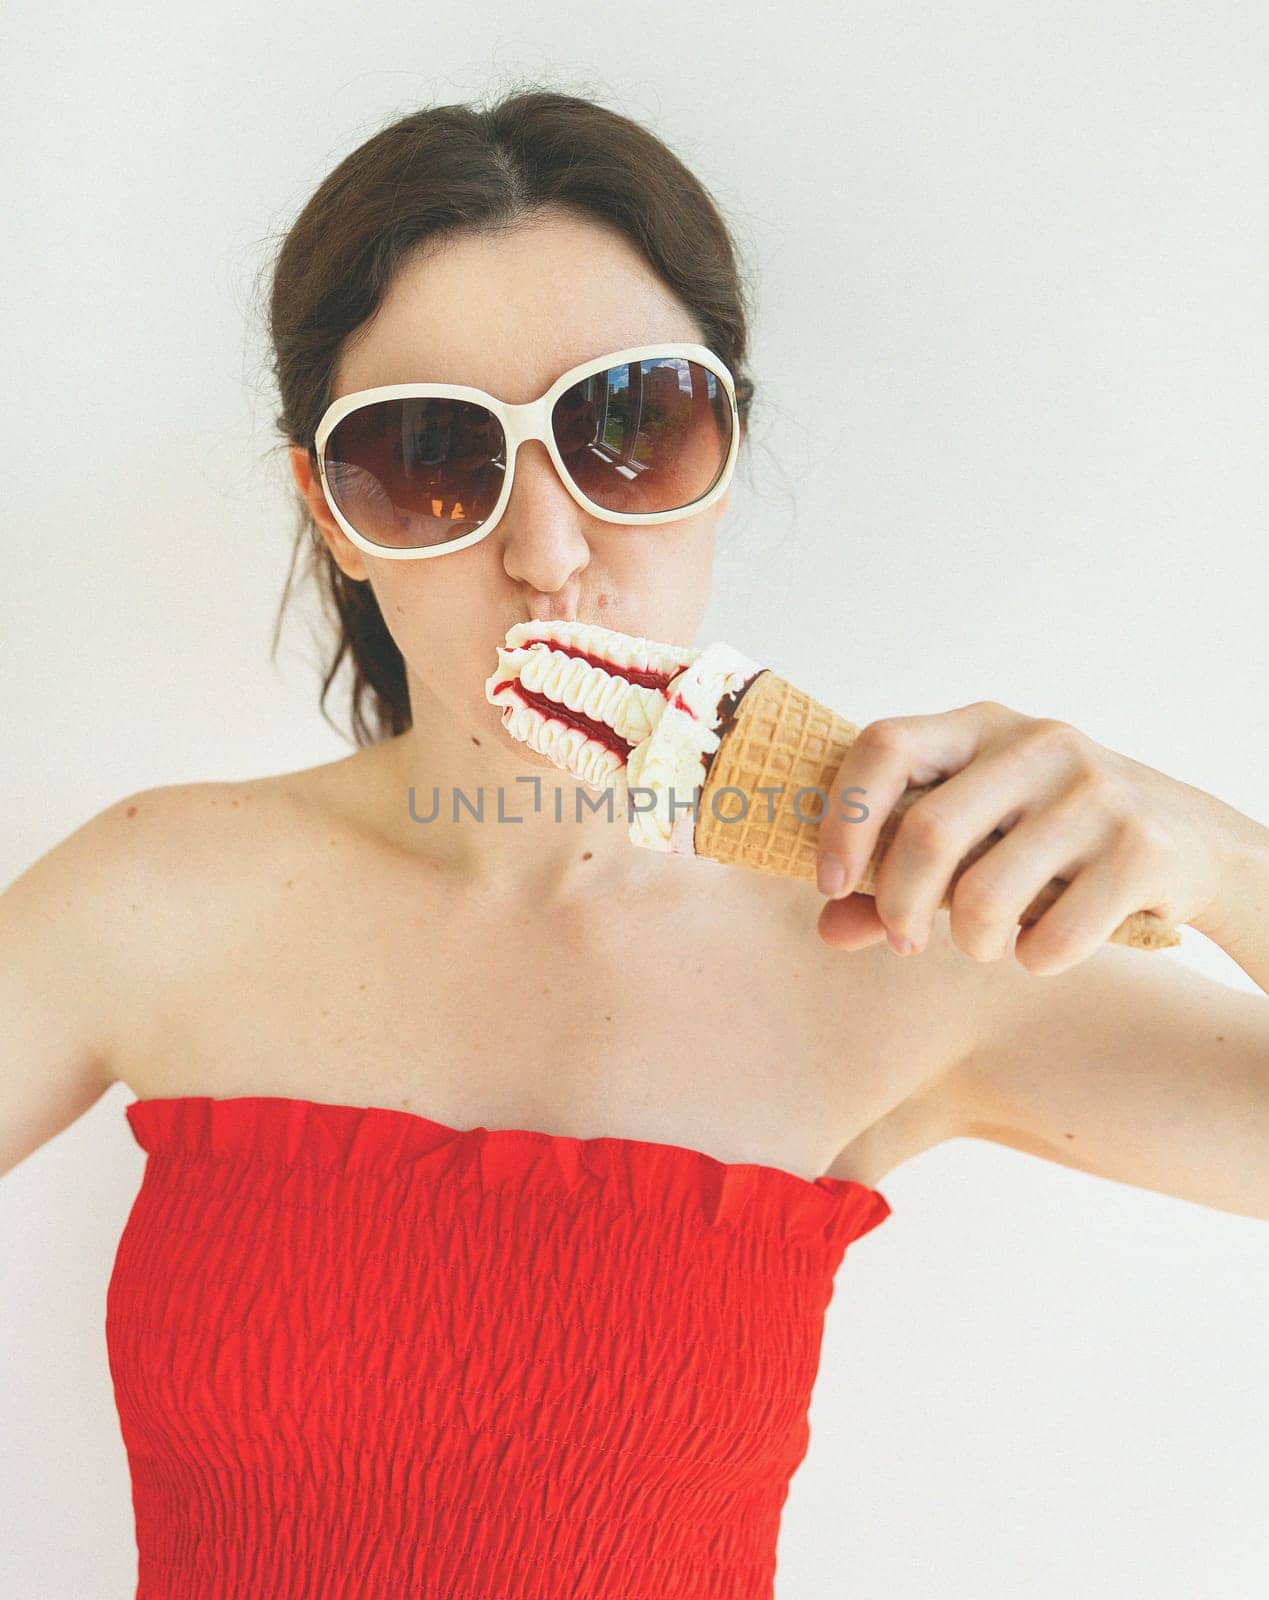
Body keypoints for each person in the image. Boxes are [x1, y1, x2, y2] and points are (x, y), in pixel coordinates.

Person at [3, 86, 1266, 1600]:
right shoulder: (150, 899)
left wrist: (1216, 857)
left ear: (726, 439)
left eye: (629, 425)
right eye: (427, 457)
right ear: (330, 515)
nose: (546, 555)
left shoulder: (898, 937)